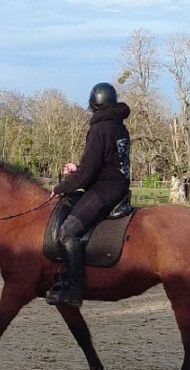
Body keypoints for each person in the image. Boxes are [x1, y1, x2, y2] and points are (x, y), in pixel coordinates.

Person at [45, 82, 131, 307]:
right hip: (118, 186)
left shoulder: (99, 130)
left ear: (94, 105)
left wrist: (60, 188)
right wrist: (78, 169)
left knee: (67, 231)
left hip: (104, 190)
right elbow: (102, 163)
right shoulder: (119, 127)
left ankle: (74, 291)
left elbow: (85, 177)